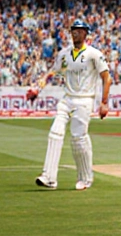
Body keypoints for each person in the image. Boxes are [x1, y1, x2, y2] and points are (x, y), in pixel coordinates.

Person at [28, 19, 113, 191]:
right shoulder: (64, 54)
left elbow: (106, 77)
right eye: (73, 30)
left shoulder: (93, 54)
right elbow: (51, 73)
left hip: (85, 99)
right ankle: (49, 177)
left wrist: (103, 103)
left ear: (85, 33)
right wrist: (38, 89)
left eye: (80, 30)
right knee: (55, 132)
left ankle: (85, 178)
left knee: (78, 139)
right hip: (67, 98)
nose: (76, 33)